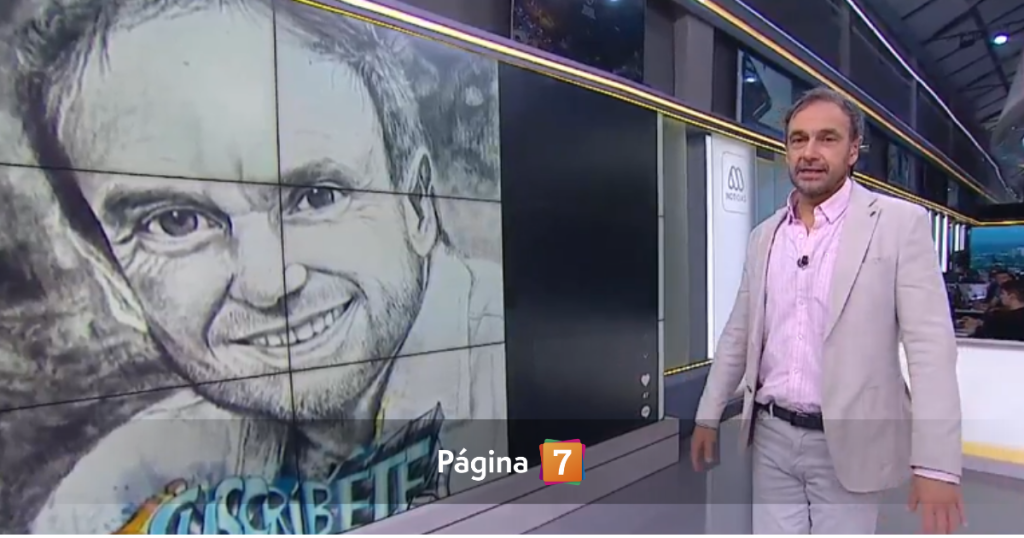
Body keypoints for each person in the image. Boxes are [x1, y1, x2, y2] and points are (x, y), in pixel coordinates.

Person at [2, 0, 505, 534]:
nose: (268, 283)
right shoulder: (121, 489)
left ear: (417, 205)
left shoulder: (525, 383)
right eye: (175, 222)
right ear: (113, 280)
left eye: (316, 196)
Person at [691, 87, 963, 534]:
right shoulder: (765, 236)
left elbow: (931, 350)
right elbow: (739, 333)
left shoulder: (898, 225)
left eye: (827, 138)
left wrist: (937, 464)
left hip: (851, 442)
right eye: (798, 139)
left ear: (853, 150)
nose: (810, 152)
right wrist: (708, 413)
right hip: (771, 436)